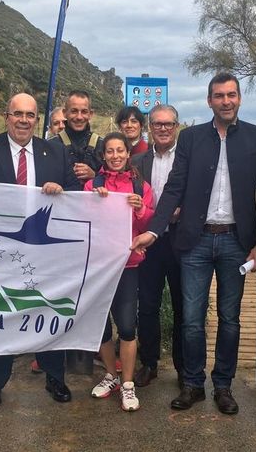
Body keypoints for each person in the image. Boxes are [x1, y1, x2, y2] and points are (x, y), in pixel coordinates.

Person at [130, 73, 256, 415]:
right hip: (195, 241)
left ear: (239, 98)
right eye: (219, 96)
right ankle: (193, 384)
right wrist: (154, 230)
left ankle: (223, 385)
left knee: (230, 318)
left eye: (231, 94)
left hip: (236, 242)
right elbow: (174, 188)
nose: (226, 101)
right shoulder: (192, 138)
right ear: (209, 101)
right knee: (192, 319)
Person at [0, 93, 80, 407]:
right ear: (6, 117)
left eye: (30, 115)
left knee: (47, 310)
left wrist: (62, 191)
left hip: (43, 252)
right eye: (18, 114)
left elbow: (75, 193)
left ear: (37, 119)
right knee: (1, 315)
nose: (24, 120)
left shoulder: (55, 151)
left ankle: (54, 377)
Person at [87, 132, 154, 411]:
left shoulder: (140, 185)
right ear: (103, 155)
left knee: (127, 326)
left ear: (128, 154)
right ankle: (111, 375)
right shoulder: (93, 184)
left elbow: (150, 223)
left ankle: (127, 384)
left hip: (128, 265)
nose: (115, 156)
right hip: (98, 266)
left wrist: (140, 209)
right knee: (101, 325)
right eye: (110, 151)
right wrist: (93, 202)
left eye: (120, 151)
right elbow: (83, 220)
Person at [130, 105, 183, 388]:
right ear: (149, 128)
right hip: (147, 243)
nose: (163, 129)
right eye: (157, 124)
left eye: (168, 124)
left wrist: (184, 209)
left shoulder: (187, 158)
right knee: (147, 306)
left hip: (179, 240)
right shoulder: (136, 161)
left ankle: (183, 368)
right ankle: (149, 363)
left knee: (183, 306)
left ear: (177, 127)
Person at [50, 90, 103, 183]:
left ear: (90, 114)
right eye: (74, 111)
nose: (79, 117)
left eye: (84, 112)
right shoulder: (51, 145)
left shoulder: (102, 145)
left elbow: (113, 180)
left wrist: (94, 176)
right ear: (65, 113)